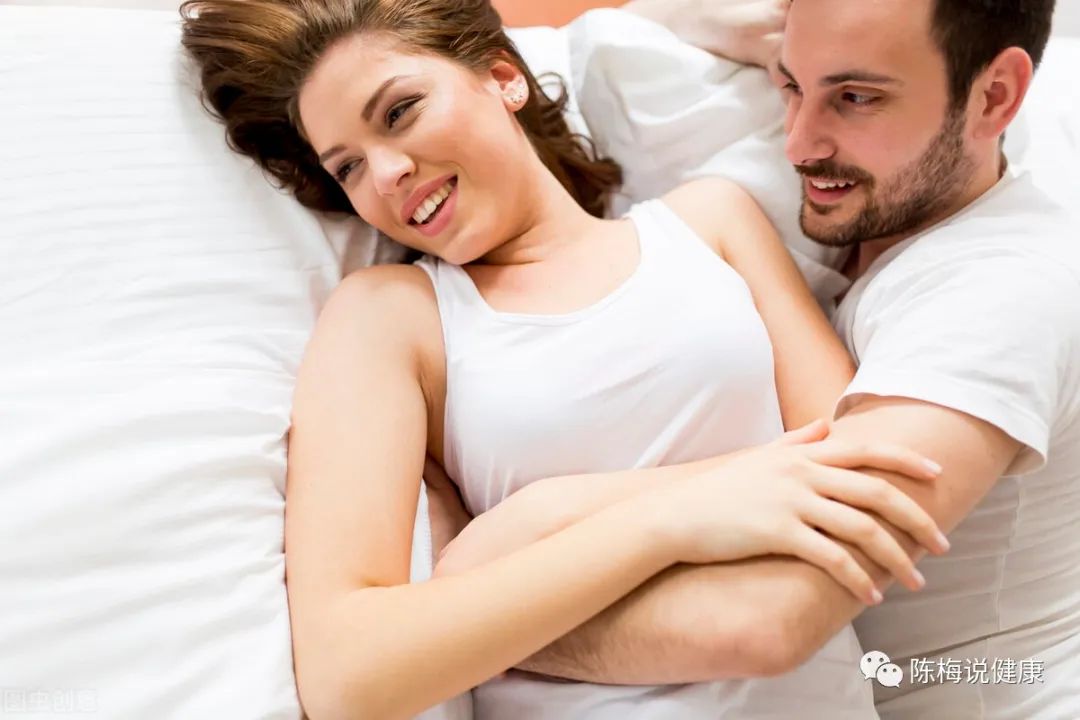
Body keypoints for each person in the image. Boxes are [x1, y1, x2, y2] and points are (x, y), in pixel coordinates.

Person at [178, 1, 952, 718]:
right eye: (347, 165)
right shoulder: (389, 318)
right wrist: (675, 514)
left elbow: (865, 478)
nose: (385, 176)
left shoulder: (711, 224)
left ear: (503, 79)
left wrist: (528, 526)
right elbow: (347, 673)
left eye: (399, 112)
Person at [436, 0, 1080, 718]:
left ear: (995, 97)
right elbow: (572, 58)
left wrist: (462, 622)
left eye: (856, 97)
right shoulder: (844, 201)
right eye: (790, 85)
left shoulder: (1001, 295)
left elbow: (767, 623)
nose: (799, 143)